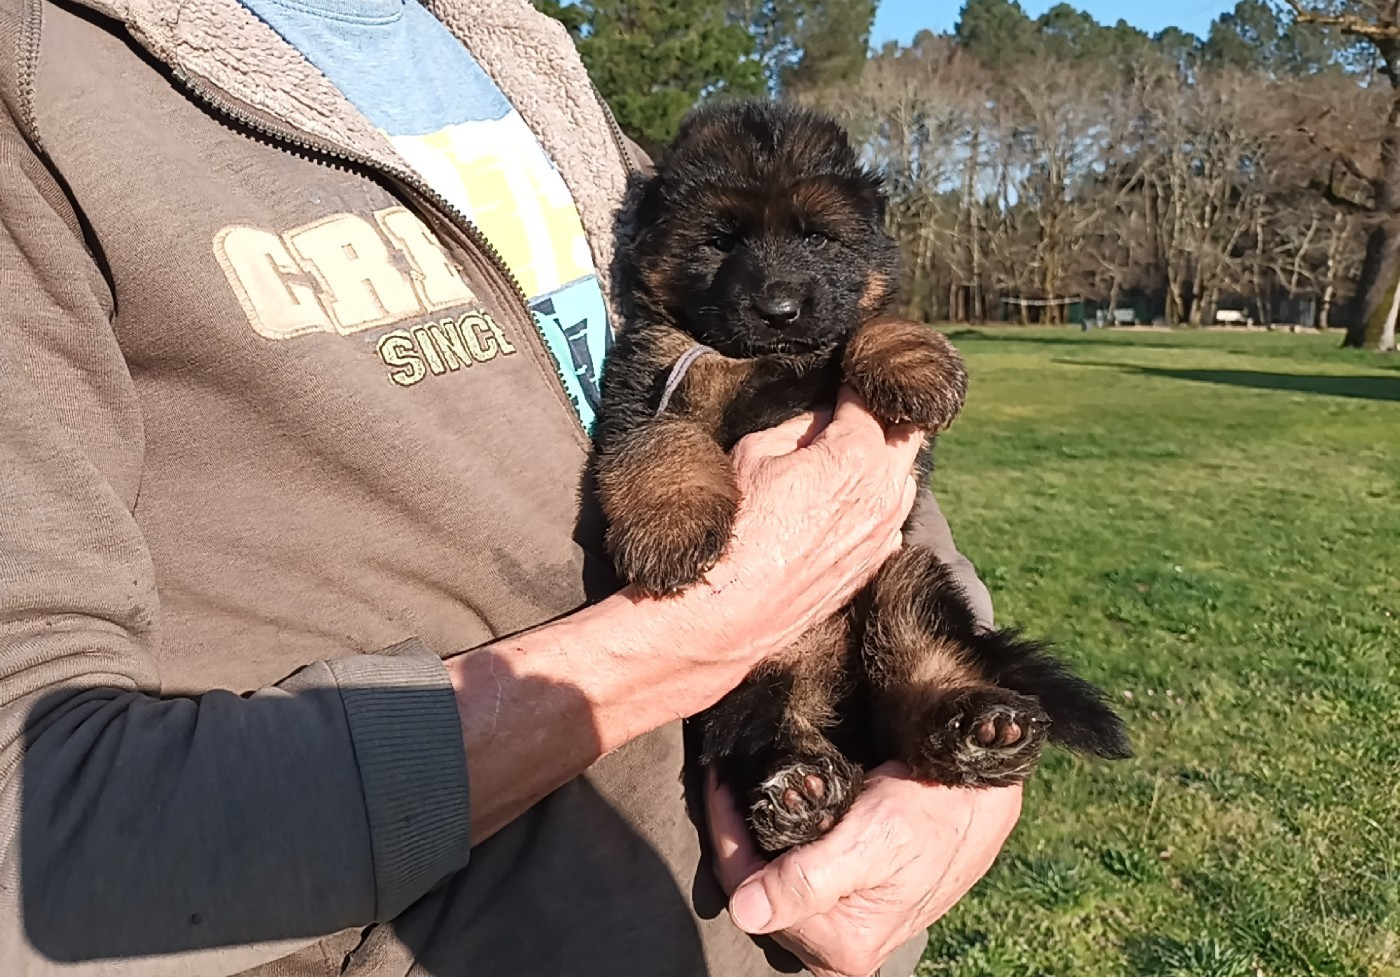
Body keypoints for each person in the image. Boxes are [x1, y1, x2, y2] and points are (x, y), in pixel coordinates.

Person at [0, 0, 1022, 974]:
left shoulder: (532, 64)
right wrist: (696, 630)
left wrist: (947, 773)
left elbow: (843, 465)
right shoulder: (39, 90)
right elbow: (30, 833)